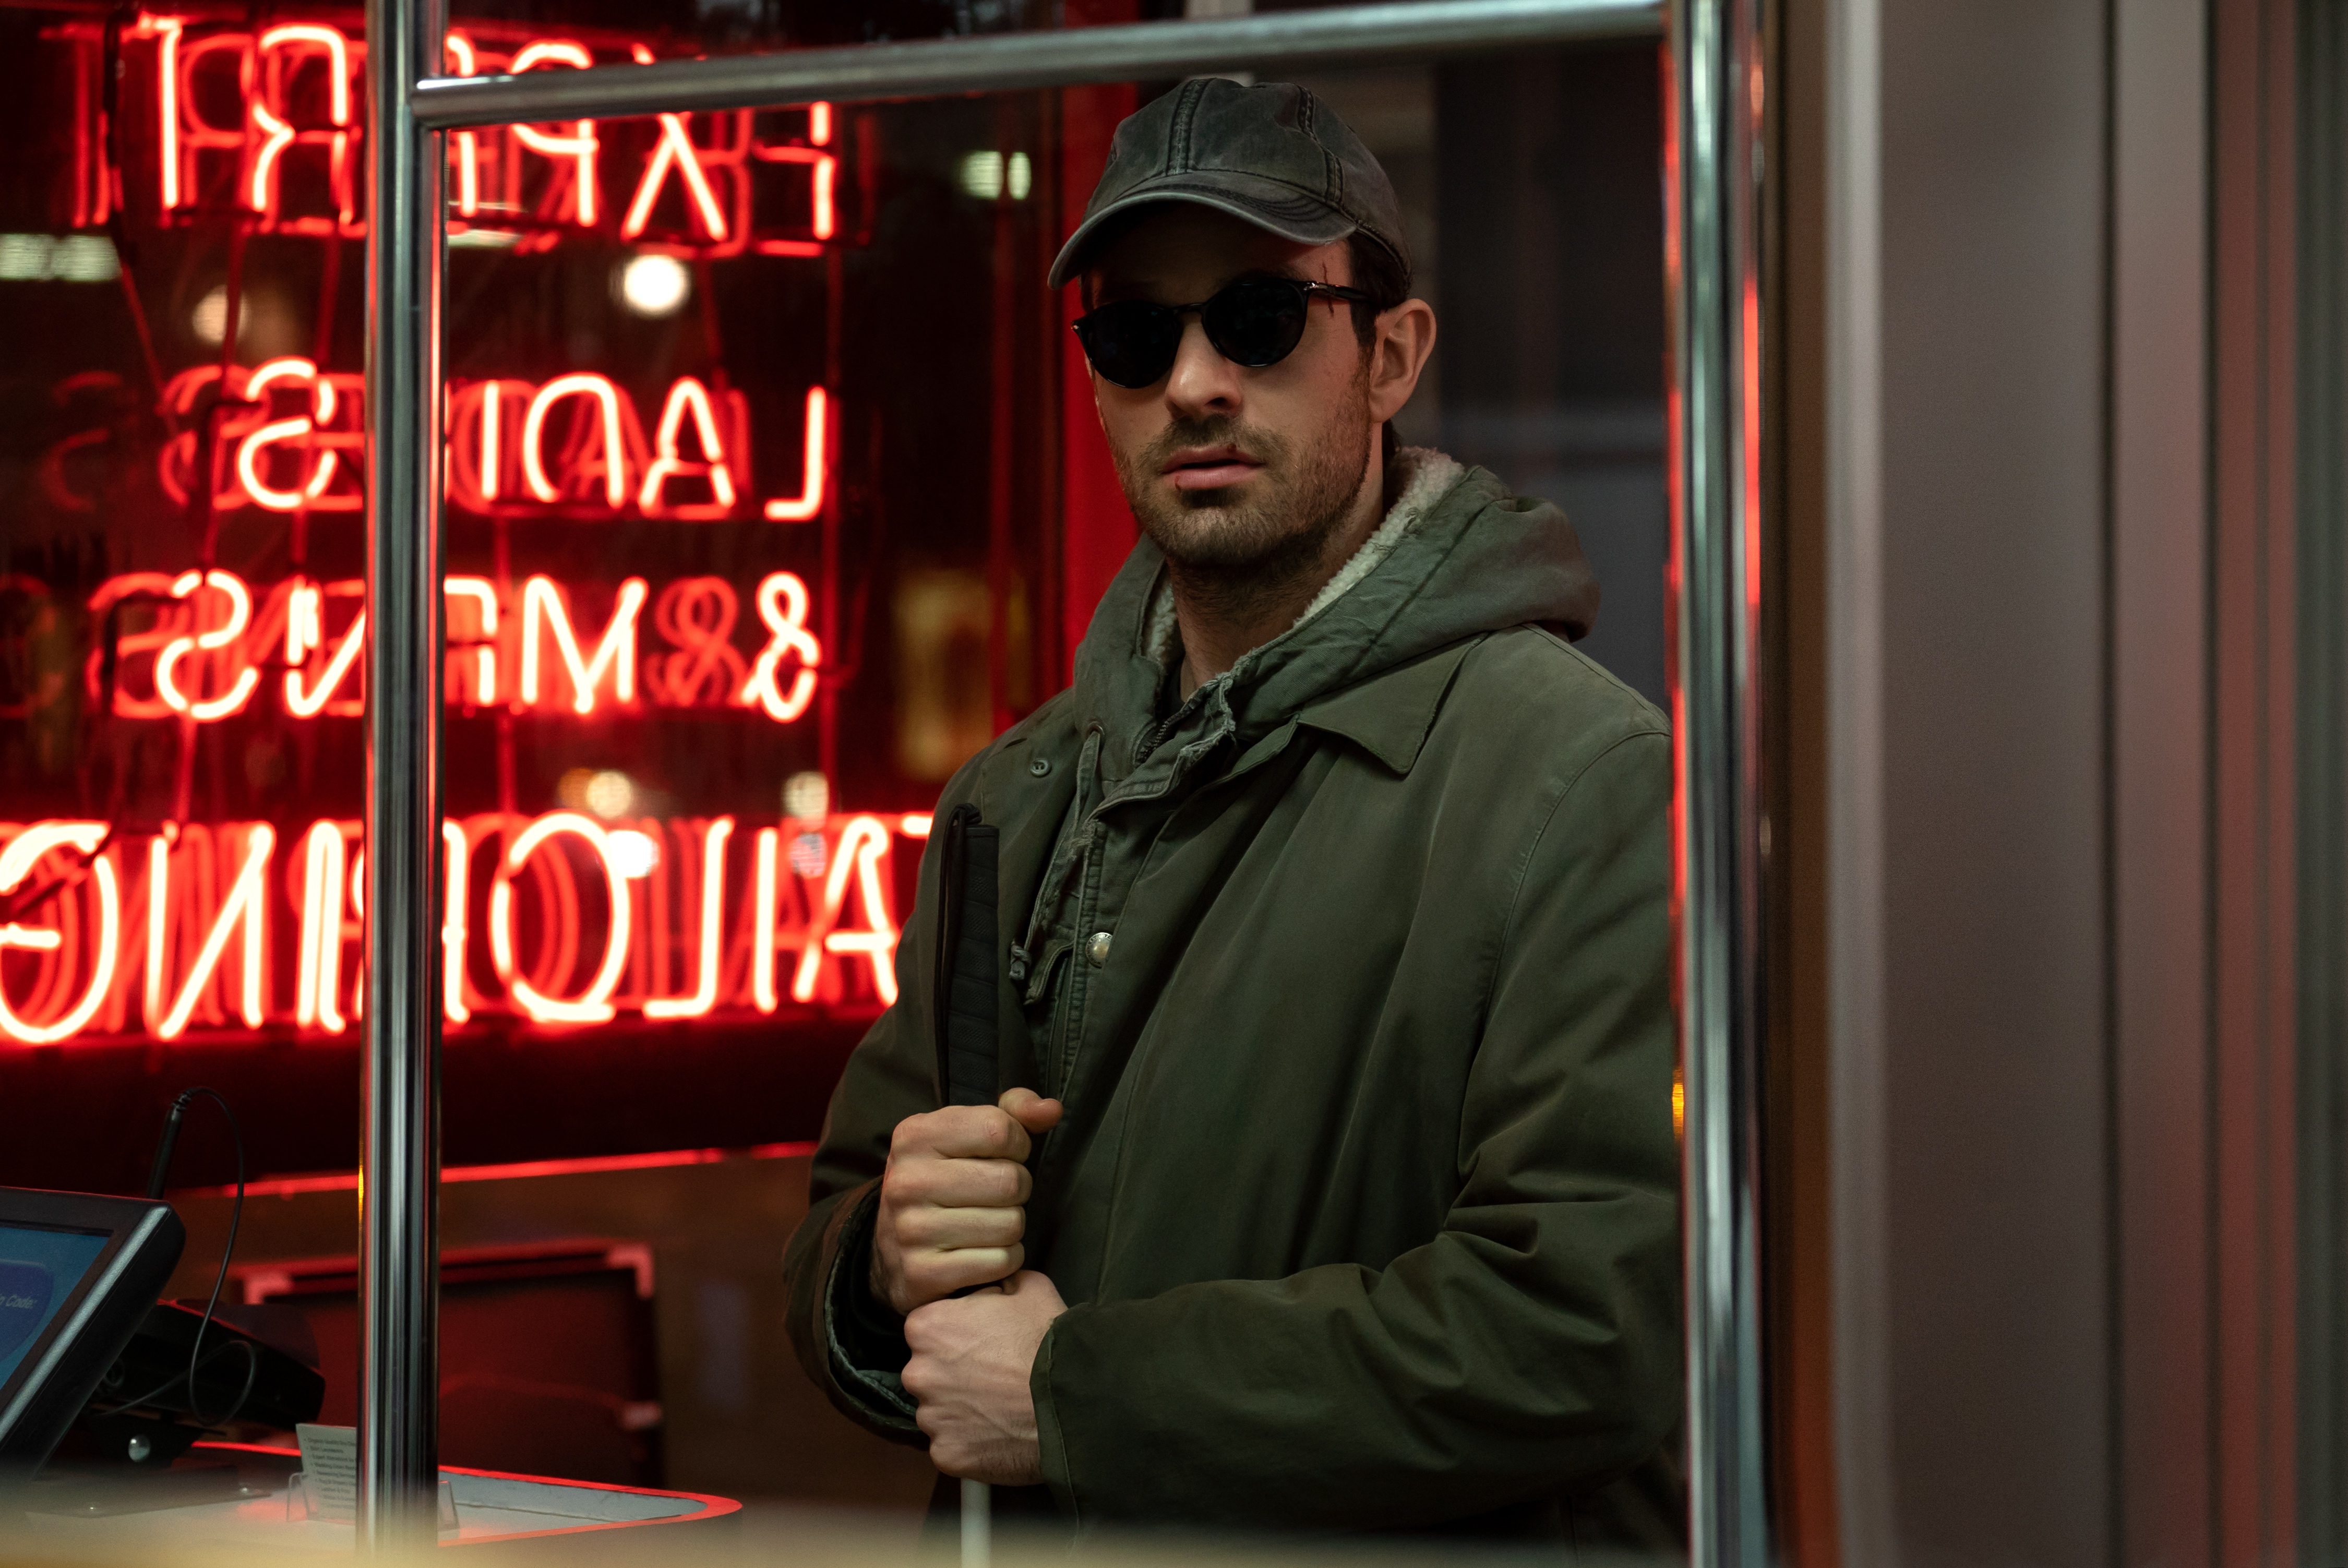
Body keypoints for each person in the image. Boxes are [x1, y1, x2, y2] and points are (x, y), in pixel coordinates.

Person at [784, 78, 1681, 1546]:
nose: (1195, 382)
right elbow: (849, 1229)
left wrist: (1080, 1399)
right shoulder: (1016, 793)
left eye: (1260, 318)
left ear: (1390, 355)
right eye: (1136, 335)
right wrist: (884, 1259)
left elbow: (1589, 1327)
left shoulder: (1580, 783)